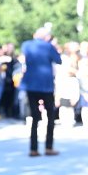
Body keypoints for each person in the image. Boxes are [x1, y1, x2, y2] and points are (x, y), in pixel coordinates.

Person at [20, 26, 62, 156]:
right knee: (50, 117)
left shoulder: (26, 45)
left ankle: (33, 149)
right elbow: (58, 60)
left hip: (31, 85)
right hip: (46, 86)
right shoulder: (48, 47)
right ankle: (49, 147)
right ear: (47, 37)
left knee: (34, 117)